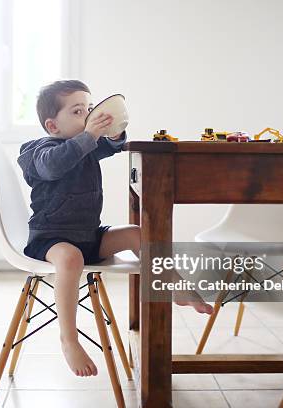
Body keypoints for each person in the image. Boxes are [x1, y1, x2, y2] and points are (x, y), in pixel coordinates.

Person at [17, 80, 212, 378]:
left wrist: (114, 131)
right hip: (50, 239)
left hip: (89, 237)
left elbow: (111, 146)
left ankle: (177, 286)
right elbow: (54, 166)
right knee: (70, 260)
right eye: (78, 111)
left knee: (137, 232)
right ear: (53, 125)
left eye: (90, 109)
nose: (88, 115)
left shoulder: (86, 147)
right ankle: (69, 340)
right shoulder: (38, 150)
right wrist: (90, 134)